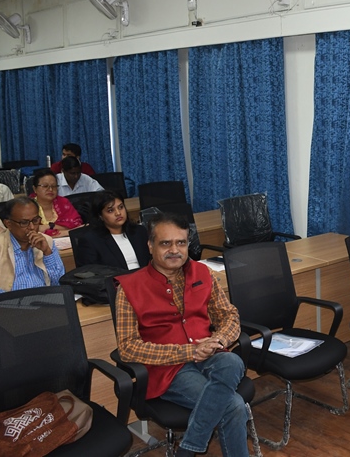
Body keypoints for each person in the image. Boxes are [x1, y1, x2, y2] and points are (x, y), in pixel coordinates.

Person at [115, 213, 250, 457]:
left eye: (181, 242)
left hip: (209, 352)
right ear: (150, 245)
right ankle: (189, 449)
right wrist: (189, 351)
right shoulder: (129, 288)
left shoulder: (203, 272)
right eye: (165, 243)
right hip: (168, 369)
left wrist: (218, 340)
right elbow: (128, 347)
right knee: (234, 406)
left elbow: (229, 315)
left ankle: (188, 448)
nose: (174, 250)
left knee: (233, 361)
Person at [0, 197, 66, 295]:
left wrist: (47, 253)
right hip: (9, 302)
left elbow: (60, 283)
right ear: (8, 224)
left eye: (35, 220)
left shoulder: (46, 241)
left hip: (45, 300)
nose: (32, 227)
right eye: (24, 223)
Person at [76, 190, 149, 270]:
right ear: (100, 216)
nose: (118, 213)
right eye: (110, 210)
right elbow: (90, 273)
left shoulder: (139, 231)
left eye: (121, 207)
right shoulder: (91, 241)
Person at [30, 168, 83, 237]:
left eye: (54, 186)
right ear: (35, 189)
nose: (50, 189)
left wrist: (49, 226)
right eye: (45, 186)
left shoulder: (63, 203)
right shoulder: (28, 206)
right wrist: (66, 230)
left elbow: (78, 227)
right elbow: (29, 231)